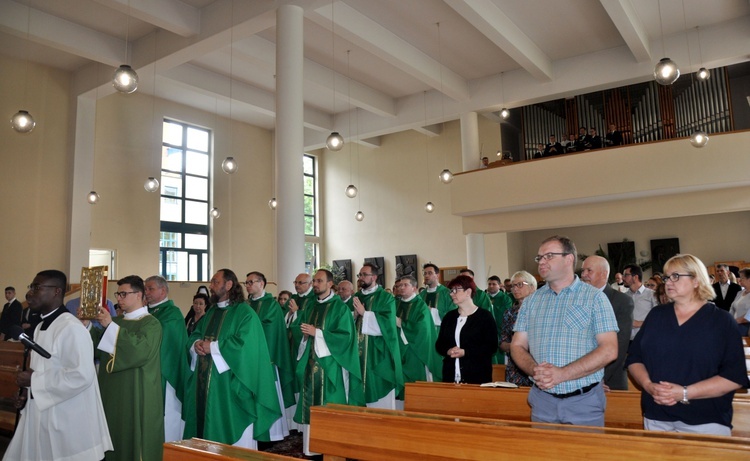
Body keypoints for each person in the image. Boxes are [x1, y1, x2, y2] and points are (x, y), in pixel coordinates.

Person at [627, 254, 750, 436]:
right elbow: (635, 358)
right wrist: (647, 385)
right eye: (667, 277)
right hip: (657, 415)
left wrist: (684, 393)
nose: (668, 282)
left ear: (696, 280)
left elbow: (733, 376)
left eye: (676, 276)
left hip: (706, 418)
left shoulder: (721, 321)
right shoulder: (656, 316)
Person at [4, 270, 112, 461]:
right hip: (43, 415)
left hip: (67, 419)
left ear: (56, 291)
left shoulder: (71, 328)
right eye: (31, 287)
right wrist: (27, 393)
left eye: (37, 287)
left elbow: (81, 375)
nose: (30, 293)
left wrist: (34, 380)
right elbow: (47, 369)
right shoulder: (40, 327)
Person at [511, 235, 618, 426]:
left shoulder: (594, 298)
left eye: (549, 256)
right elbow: (517, 345)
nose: (542, 262)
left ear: (569, 259)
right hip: (542, 400)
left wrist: (563, 374)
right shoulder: (531, 301)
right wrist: (535, 371)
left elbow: (609, 350)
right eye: (539, 257)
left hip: (583, 401)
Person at [183, 269, 282, 448]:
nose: (211, 286)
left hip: (231, 384)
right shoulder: (212, 311)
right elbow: (197, 332)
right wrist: (196, 343)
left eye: (215, 282)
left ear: (228, 285)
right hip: (207, 383)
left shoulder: (245, 313)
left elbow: (246, 345)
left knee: (235, 444)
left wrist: (212, 347)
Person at [87, 275, 164, 461]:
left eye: (123, 294)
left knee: (132, 438)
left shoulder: (151, 323)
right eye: (118, 294)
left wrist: (109, 326)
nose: (119, 298)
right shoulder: (118, 321)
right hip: (112, 393)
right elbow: (98, 347)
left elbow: (140, 350)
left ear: (139, 294)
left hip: (135, 392)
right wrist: (87, 325)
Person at [294, 269, 363, 456]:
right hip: (311, 363)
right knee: (312, 403)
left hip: (332, 365)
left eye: (319, 281)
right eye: (314, 281)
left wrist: (318, 333)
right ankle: (312, 450)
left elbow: (346, 338)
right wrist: (304, 333)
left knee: (330, 402)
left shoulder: (340, 308)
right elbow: (302, 332)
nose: (315, 284)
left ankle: (334, 448)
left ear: (330, 284)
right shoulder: (310, 306)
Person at [245, 271, 294, 437]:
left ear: (262, 283)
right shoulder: (245, 305)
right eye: (247, 282)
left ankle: (272, 433)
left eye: (251, 282)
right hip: (247, 357)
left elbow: (270, 330)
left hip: (265, 358)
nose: (248, 285)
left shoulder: (271, 304)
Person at [144, 275, 189, 442]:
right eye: (145, 289)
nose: (146, 292)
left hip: (166, 374)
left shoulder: (173, 314)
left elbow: (165, 342)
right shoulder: (146, 312)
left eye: (150, 289)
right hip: (149, 374)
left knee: (168, 418)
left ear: (163, 291)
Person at [352, 262, 403, 409]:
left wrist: (365, 314)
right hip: (357, 351)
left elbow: (388, 324)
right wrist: (354, 316)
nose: (361, 277)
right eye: (359, 275)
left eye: (364, 275)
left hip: (377, 351)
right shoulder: (356, 296)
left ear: (374, 277)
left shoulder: (386, 298)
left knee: (377, 385)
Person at [581, 256, 634, 391]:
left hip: (609, 380)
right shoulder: (577, 300)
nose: (583, 275)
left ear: (603, 274)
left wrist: (599, 378)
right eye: (583, 271)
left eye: (589, 271)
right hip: (579, 378)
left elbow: (620, 344)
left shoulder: (621, 301)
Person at [436, 275, 497, 384]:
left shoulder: (484, 317)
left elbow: (491, 347)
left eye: (455, 290)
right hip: (451, 376)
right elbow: (440, 344)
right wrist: (448, 350)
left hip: (477, 376)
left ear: (468, 292)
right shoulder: (449, 317)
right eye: (451, 290)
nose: (451, 294)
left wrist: (465, 352)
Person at [395, 275, 441, 402]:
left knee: (415, 386)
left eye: (405, 285)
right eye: (399, 285)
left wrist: (401, 323)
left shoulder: (420, 306)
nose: (401, 287)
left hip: (415, 351)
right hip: (398, 349)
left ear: (414, 288)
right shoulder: (396, 303)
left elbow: (422, 329)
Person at [500, 271, 537, 386]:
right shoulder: (510, 312)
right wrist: (517, 347)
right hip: (514, 367)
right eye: (513, 286)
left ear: (532, 287)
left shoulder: (541, 311)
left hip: (536, 365)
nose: (515, 289)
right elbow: (502, 342)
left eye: (520, 284)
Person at [623, 264, 657, 340]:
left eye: (626, 275)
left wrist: (639, 323)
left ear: (635, 277)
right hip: (627, 340)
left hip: (646, 338)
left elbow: (658, 319)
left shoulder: (651, 295)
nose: (623, 278)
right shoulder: (623, 297)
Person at [486, 275, 513, 364]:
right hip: (488, 330)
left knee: (500, 358)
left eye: (494, 284)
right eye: (489, 284)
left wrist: (493, 308)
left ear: (499, 285)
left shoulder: (505, 298)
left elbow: (506, 313)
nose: (491, 286)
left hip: (500, 330)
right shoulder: (485, 298)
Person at [418, 263, 454, 327]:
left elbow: (453, 314)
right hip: (425, 333)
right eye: (425, 273)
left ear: (437, 275)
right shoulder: (421, 295)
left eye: (430, 273)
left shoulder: (447, 293)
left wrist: (432, 311)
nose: (426, 276)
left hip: (441, 332)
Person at [730, 268, 750, 336]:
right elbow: (732, 308)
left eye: (742, 278)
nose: (739, 280)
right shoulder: (740, 293)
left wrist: (736, 321)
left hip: (746, 326)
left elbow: (748, 316)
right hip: (735, 324)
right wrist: (729, 320)